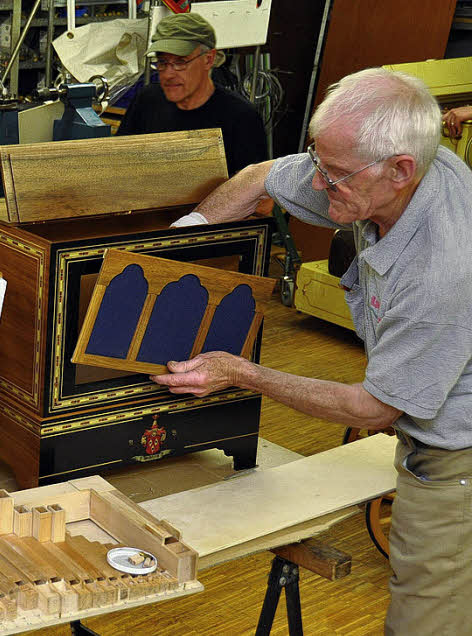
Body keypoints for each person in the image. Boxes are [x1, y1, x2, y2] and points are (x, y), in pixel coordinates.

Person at [153, 67, 472, 634]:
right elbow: (261, 177)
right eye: (318, 162)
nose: (318, 184)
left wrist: (242, 373)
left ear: (400, 170)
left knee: (426, 612)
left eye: (336, 175)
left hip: (457, 459)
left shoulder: (441, 267)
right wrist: (179, 246)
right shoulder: (377, 172)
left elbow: (373, 409)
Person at [116, 13, 267, 176]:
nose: (168, 74)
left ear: (209, 60)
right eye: (162, 62)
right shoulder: (147, 101)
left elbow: (258, 195)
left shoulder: (241, 117)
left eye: (180, 62)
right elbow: (119, 165)